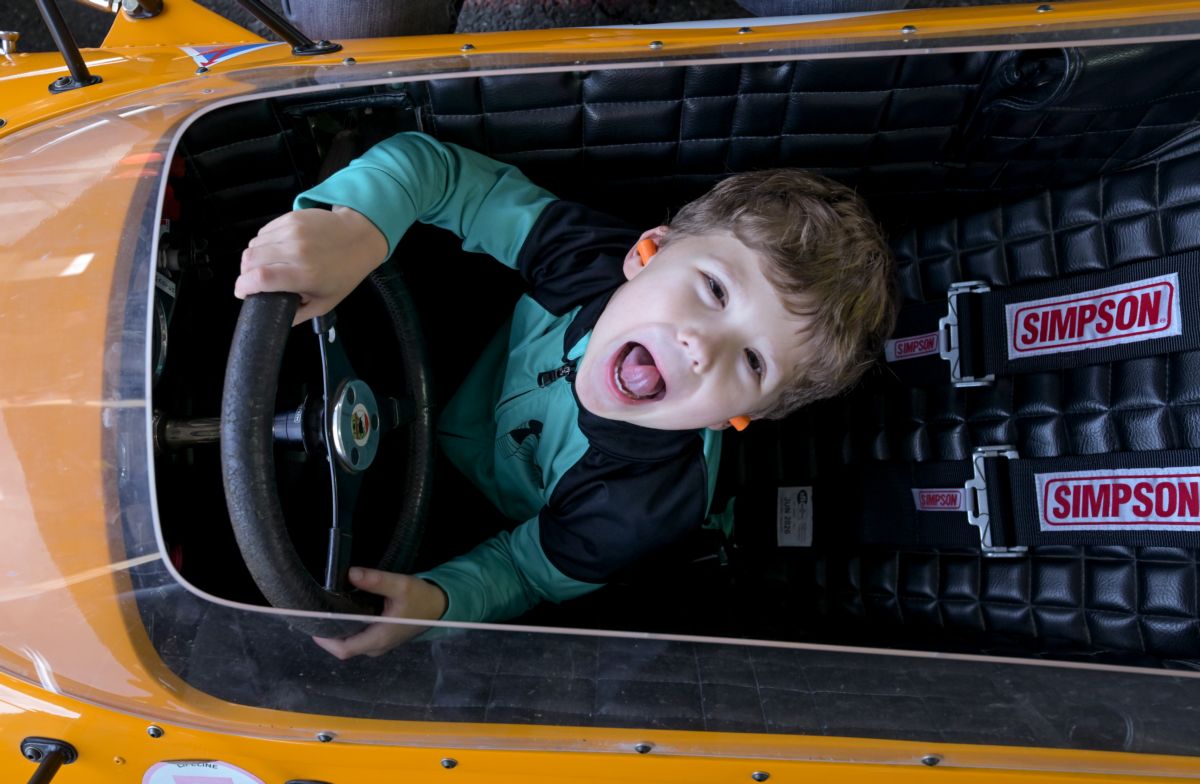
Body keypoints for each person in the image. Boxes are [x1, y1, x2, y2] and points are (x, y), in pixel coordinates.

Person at [235, 131, 895, 658]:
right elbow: (440, 174)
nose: (701, 346)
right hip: (439, 342)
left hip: (457, 505)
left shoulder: (643, 506)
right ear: (648, 253)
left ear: (735, 418)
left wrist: (439, 603)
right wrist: (361, 226)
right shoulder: (588, 259)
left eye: (751, 362)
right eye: (715, 289)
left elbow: (524, 570)